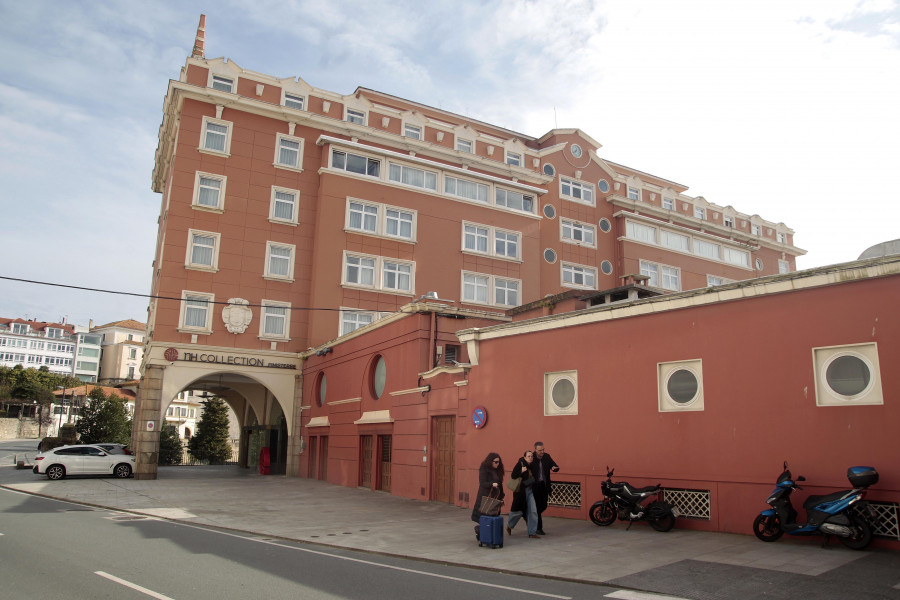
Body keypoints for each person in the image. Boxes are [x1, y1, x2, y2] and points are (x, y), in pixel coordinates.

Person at [471, 452, 505, 538]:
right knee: (485, 517)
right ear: (490, 461)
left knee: (493, 517)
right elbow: (482, 483)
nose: (498, 464)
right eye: (496, 462)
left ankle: (488, 535)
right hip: (485, 498)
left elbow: (500, 485)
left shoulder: (498, 470)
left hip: (495, 497)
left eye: (499, 462)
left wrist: (502, 497)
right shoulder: (484, 469)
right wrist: (492, 484)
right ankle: (481, 532)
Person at [506, 450, 540, 538]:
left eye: (532, 456)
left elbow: (536, 477)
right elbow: (513, 475)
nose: (530, 458)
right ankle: (509, 525)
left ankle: (532, 532)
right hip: (521, 492)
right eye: (528, 456)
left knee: (533, 511)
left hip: (530, 491)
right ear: (524, 457)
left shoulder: (534, 466)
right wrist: (521, 471)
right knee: (517, 512)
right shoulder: (520, 464)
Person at [531, 441, 559, 535]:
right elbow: (522, 462)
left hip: (544, 485)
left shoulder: (547, 456)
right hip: (534, 486)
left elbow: (553, 465)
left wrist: (555, 468)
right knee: (538, 506)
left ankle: (533, 516)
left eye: (543, 449)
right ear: (535, 450)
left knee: (543, 505)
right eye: (540, 450)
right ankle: (539, 528)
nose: (542, 452)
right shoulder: (531, 457)